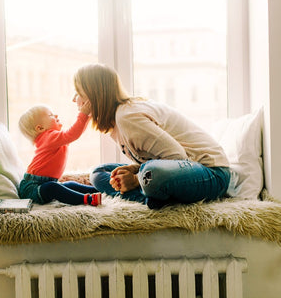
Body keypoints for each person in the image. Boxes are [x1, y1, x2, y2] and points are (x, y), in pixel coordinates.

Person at [72, 63, 231, 209]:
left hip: (212, 174)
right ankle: (153, 198)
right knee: (100, 172)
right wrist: (134, 171)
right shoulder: (117, 122)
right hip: (178, 170)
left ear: (94, 96)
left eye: (78, 93)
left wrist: (135, 179)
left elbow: (178, 157)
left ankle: (150, 195)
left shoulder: (128, 117)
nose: (74, 99)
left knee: (151, 173)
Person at [18, 101, 102, 206]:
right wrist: (83, 114)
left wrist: (87, 117)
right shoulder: (48, 137)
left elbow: (76, 133)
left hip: (45, 183)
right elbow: (73, 134)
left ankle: (99, 190)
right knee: (53, 188)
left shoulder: (53, 138)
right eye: (51, 115)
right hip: (32, 188)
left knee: (70, 185)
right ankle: (87, 199)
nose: (56, 115)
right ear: (40, 128)